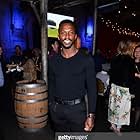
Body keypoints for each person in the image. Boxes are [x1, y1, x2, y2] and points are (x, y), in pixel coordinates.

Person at [48, 20, 97, 132]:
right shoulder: (53, 60)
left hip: (78, 111)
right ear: (58, 36)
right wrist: (51, 105)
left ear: (75, 36)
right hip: (57, 111)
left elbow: (92, 89)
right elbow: (51, 84)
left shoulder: (86, 60)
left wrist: (91, 115)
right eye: (63, 32)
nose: (67, 36)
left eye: (70, 32)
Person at [108, 40, 135, 135]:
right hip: (123, 88)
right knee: (122, 108)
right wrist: (131, 90)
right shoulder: (130, 60)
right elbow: (129, 77)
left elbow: (111, 73)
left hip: (114, 87)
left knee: (113, 106)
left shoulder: (114, 58)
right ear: (128, 48)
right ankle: (118, 128)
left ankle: (112, 124)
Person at [132, 45, 140, 131]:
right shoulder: (130, 62)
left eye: (139, 51)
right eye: (136, 51)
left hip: (139, 88)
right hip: (131, 87)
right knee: (129, 106)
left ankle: (135, 125)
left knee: (138, 107)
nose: (137, 53)